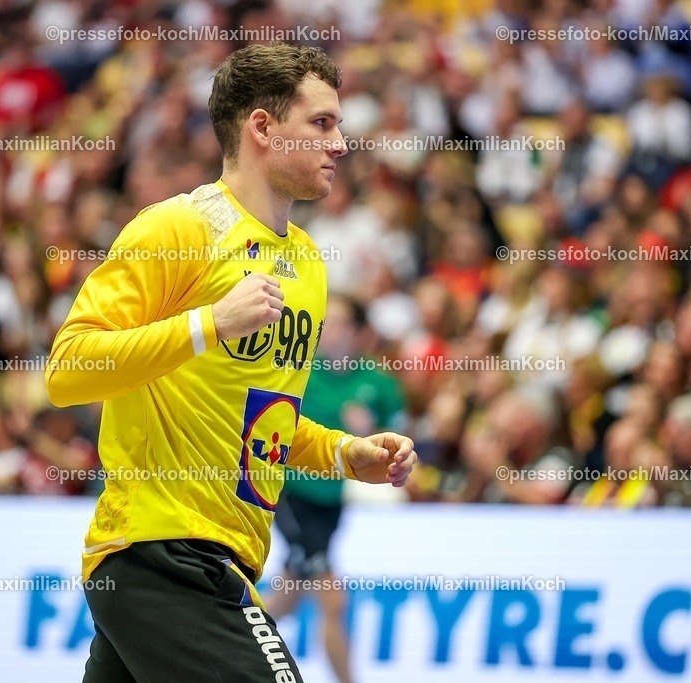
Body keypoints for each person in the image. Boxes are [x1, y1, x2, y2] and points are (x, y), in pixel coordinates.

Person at [45, 42, 418, 683]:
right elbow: (68, 370)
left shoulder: (306, 263)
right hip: (162, 548)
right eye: (322, 123)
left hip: (229, 553)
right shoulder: (177, 229)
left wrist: (341, 453)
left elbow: (260, 420)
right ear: (263, 128)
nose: (340, 144)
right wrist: (208, 324)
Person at [266, 295, 407, 683]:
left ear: (360, 332)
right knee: (333, 599)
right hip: (292, 494)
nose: (331, 331)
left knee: (287, 599)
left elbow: (398, 434)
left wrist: (371, 432)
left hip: (332, 501)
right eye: (328, 323)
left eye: (342, 323)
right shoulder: (301, 373)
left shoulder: (377, 382)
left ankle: (214, 641)